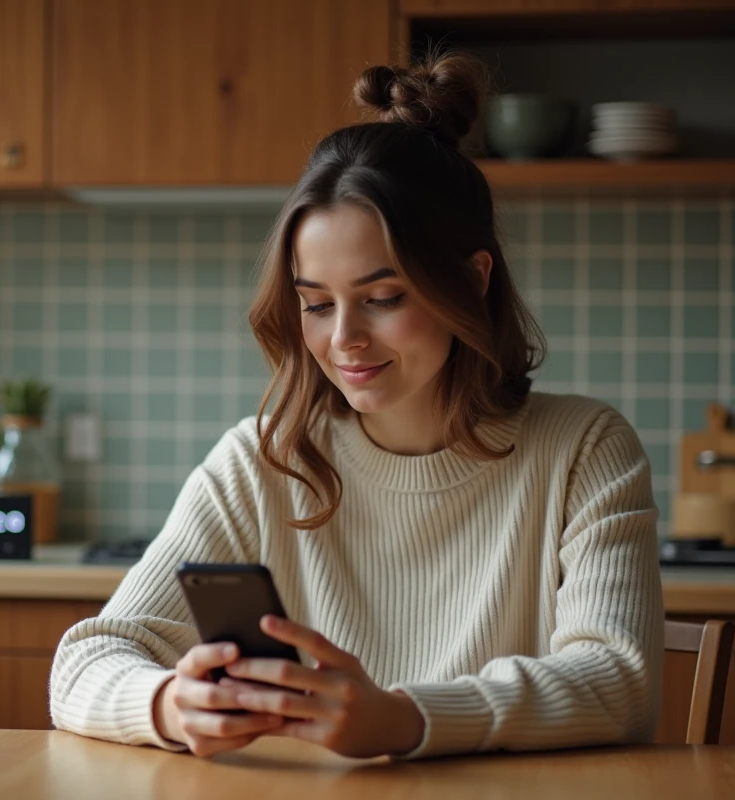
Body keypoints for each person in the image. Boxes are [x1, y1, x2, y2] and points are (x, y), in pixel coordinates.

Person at [49, 51, 664, 761]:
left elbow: (620, 683)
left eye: (382, 299)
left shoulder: (585, 448)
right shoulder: (261, 460)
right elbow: (85, 663)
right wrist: (168, 704)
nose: (343, 340)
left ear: (473, 279)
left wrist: (406, 719)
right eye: (316, 304)